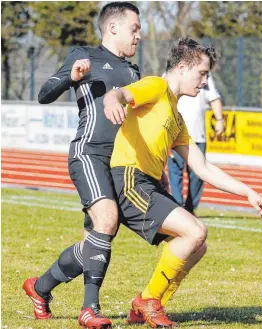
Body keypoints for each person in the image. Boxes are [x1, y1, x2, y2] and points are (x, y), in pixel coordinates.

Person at [103, 37, 262, 328]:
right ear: (182, 67)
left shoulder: (176, 117)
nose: (205, 82)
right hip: (129, 178)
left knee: (197, 245)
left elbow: (202, 167)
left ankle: (145, 303)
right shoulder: (156, 86)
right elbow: (118, 95)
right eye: (202, 74)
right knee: (195, 230)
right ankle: (149, 301)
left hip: (149, 183)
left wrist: (248, 192)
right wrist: (112, 101)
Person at [22, 3, 141, 329]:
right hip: (88, 154)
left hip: (120, 162)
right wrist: (70, 78)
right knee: (107, 220)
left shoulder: (134, 72)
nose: (139, 35)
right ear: (113, 27)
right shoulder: (83, 54)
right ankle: (90, 309)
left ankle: (40, 287)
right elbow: (44, 94)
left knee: (101, 235)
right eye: (135, 28)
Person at [168, 73, 224, 215]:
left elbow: (214, 98)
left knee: (198, 174)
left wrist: (220, 120)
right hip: (175, 136)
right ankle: (177, 207)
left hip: (198, 136)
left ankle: (190, 208)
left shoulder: (206, 77)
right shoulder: (171, 74)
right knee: (175, 173)